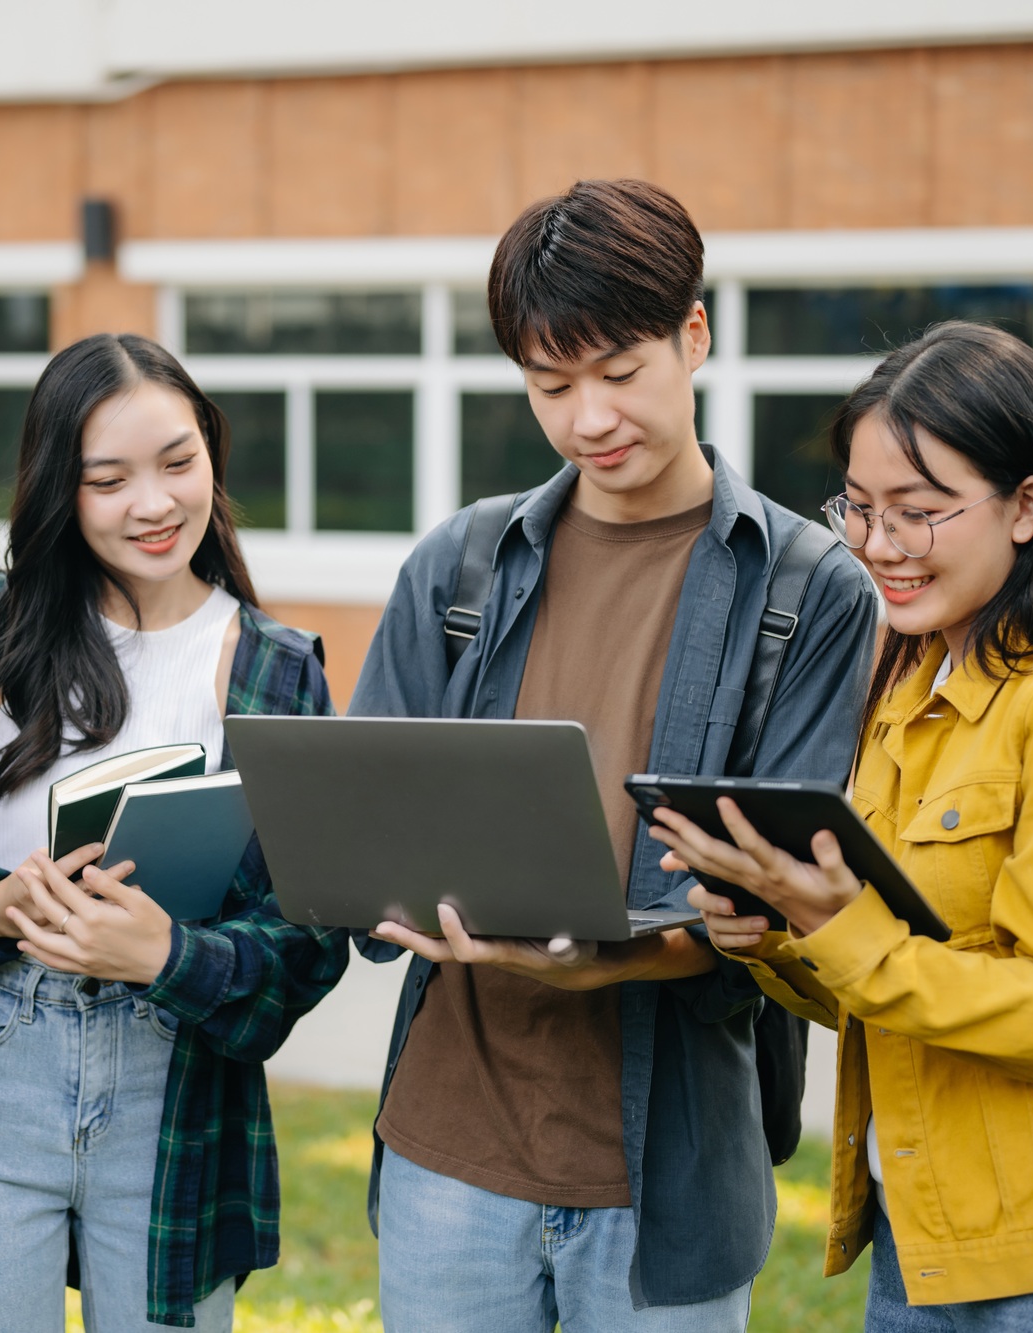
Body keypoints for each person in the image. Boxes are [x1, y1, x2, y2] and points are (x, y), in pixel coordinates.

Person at [348, 178, 879, 1332]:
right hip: (450, 1155)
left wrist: (611, 961)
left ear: (694, 332)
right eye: (550, 385)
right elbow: (360, 834)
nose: (589, 417)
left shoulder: (808, 589)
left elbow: (784, 903)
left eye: (618, 372)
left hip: (667, 1181)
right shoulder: (457, 568)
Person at [652, 321, 1033, 1330]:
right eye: (858, 509)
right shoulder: (909, 695)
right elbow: (899, 993)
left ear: (1026, 505)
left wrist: (838, 930)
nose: (877, 546)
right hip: (921, 1247)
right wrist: (774, 927)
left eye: (918, 512)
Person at [0, 332, 348, 1332]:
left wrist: (166, 951)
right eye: (106, 479)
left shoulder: (276, 669)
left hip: (175, 1076)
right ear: (57, 491)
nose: (153, 504)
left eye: (176, 462)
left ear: (212, 449)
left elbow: (309, 929)